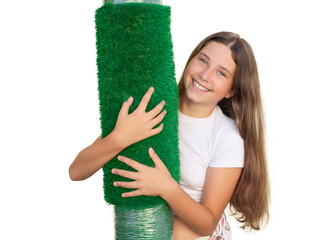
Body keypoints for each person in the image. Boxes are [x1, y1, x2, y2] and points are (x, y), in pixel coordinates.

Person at [69, 31, 269, 240]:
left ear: (232, 90)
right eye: (203, 60)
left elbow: (206, 225)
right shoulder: (152, 106)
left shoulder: (227, 138)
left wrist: (166, 187)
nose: (205, 75)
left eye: (222, 73)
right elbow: (76, 171)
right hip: (145, 229)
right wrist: (120, 137)